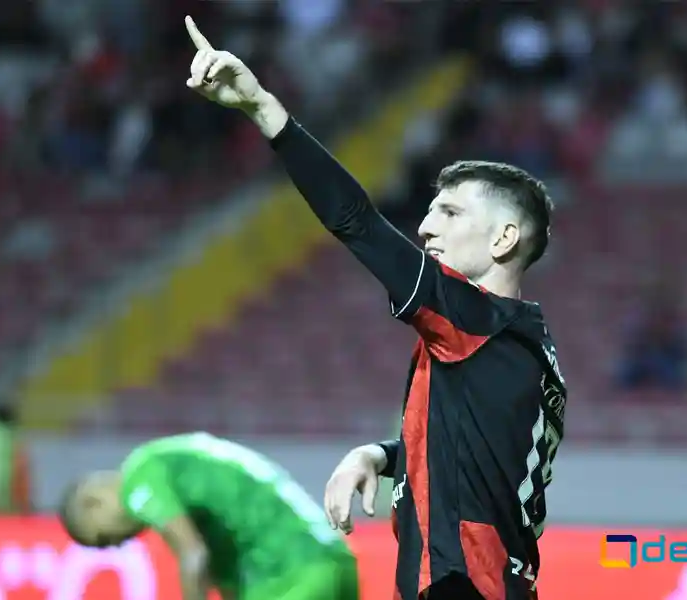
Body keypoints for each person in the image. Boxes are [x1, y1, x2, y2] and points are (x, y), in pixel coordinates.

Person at [181, 17, 567, 600]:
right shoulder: (525, 347)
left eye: (451, 214)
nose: (425, 226)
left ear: (504, 239)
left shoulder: (473, 320)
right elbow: (468, 452)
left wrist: (262, 108)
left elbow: (356, 221)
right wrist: (379, 456)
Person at [57, 432, 359, 600]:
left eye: (105, 539)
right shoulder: (177, 466)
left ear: (93, 502)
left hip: (291, 576)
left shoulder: (140, 477)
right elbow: (218, 568)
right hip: (331, 562)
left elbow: (193, 556)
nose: (119, 543)